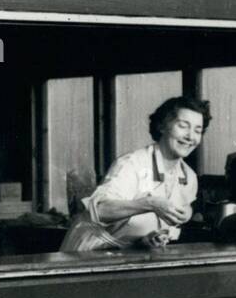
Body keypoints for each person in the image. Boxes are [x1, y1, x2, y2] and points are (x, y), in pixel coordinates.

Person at [60, 96, 210, 252]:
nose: (190, 137)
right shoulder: (132, 164)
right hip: (85, 254)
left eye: (197, 130)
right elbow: (100, 211)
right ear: (162, 126)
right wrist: (150, 204)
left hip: (127, 256)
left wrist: (148, 239)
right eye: (183, 126)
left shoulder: (188, 177)